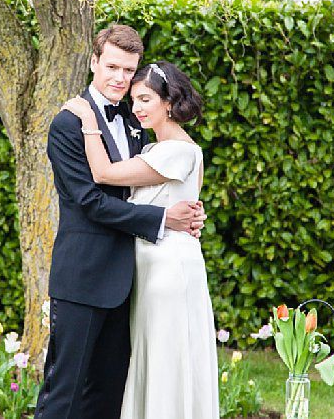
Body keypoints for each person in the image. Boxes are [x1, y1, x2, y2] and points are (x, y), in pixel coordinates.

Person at [34, 25, 206, 419]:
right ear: (94, 63)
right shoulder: (68, 123)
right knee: (64, 393)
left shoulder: (136, 121)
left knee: (110, 396)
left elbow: (149, 184)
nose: (120, 78)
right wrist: (165, 220)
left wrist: (188, 211)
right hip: (84, 277)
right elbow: (92, 202)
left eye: (128, 70)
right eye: (112, 66)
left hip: (131, 283)